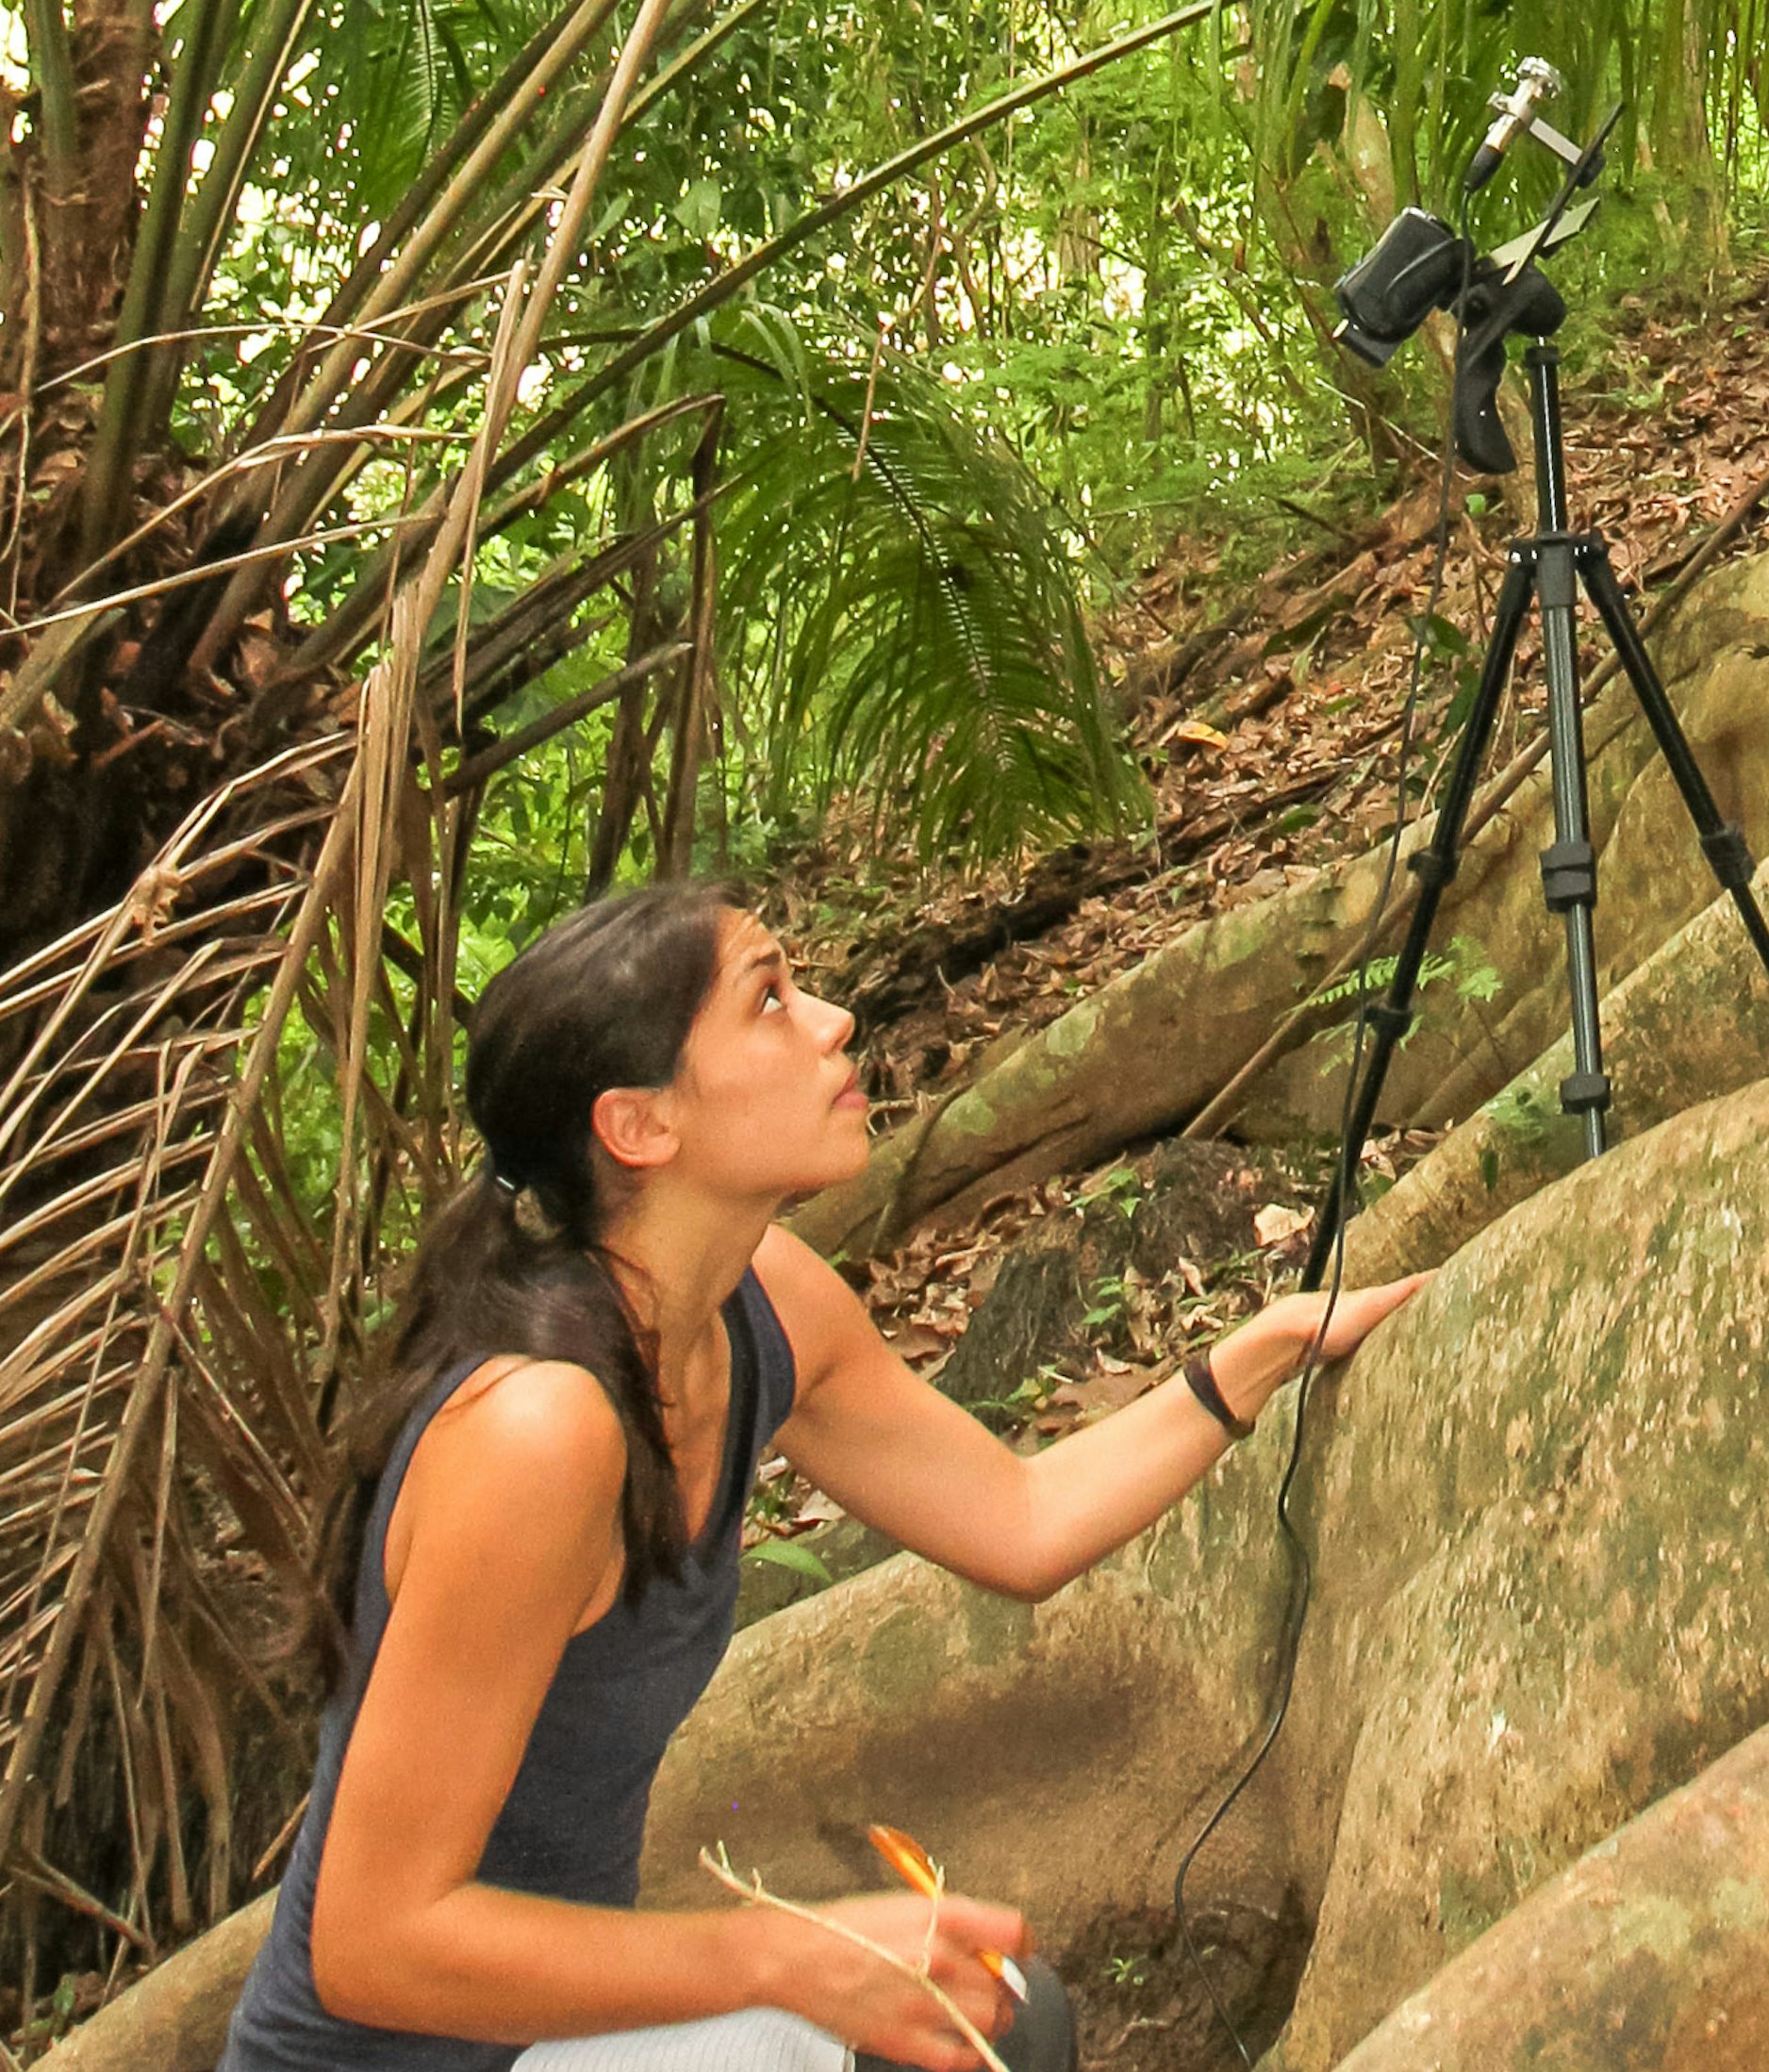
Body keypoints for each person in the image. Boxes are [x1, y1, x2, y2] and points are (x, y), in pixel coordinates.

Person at [221, 885, 1422, 2072]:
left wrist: (1248, 1363)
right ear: (639, 1125)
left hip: (550, 2041)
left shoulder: (765, 1308)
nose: (836, 1019)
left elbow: (1021, 1517)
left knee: (997, 2021)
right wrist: (780, 1956)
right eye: (771, 1001)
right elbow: (371, 1943)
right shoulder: (536, 1431)